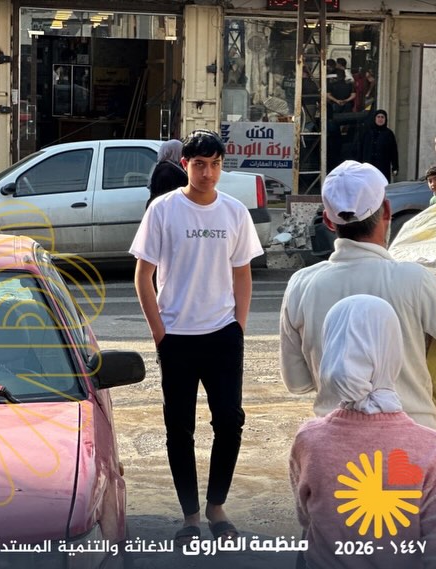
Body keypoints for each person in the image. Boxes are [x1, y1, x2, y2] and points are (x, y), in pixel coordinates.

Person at [280, 160, 436, 430]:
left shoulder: (301, 284)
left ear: (328, 221)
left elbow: (297, 382)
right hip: (411, 441)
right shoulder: (414, 280)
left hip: (336, 443)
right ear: (387, 211)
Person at [130, 129, 264, 546]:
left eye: (216, 164)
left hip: (223, 334)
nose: (208, 173)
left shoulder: (234, 212)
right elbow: (143, 276)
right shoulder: (163, 209)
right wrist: (160, 334)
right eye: (200, 164)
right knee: (179, 428)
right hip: (177, 338)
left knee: (230, 422)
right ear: (185, 165)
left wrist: (239, 327)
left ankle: (215, 507)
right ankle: (189, 515)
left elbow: (242, 274)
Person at [289, 294, 436, 569]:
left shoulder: (308, 441)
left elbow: (307, 521)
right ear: (394, 353)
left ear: (329, 351)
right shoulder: (432, 448)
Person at [359, 109, 399, 182]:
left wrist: (395, 167)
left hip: (383, 166)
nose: (380, 119)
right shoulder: (367, 132)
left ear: (385, 119)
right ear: (374, 118)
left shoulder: (389, 134)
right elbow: (360, 148)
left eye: (382, 117)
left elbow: (393, 151)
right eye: (378, 117)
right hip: (368, 166)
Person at [146, 139, 189, 209]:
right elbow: (165, 198)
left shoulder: (167, 167)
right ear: (174, 152)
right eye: (181, 151)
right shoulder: (166, 172)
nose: (182, 155)